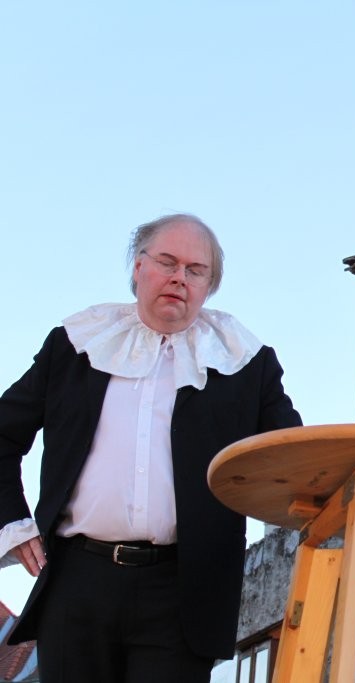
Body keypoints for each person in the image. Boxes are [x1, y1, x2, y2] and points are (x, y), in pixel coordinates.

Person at [0, 214, 302, 683]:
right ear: (139, 267)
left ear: (208, 287)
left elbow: (290, 456)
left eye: (196, 270)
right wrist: (14, 526)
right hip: (77, 581)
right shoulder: (76, 344)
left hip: (182, 593)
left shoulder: (244, 361)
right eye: (167, 262)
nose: (179, 277)